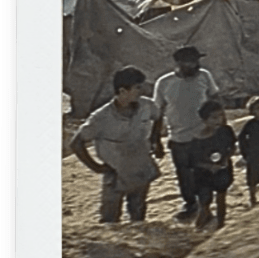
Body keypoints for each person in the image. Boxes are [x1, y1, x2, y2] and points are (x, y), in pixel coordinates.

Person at [70, 66, 161, 223]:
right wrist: (96, 167)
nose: (141, 91)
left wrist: (155, 139)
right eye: (137, 87)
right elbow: (76, 143)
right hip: (116, 173)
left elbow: (158, 116)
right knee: (110, 219)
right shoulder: (101, 117)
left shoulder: (146, 105)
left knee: (138, 212)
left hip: (140, 167)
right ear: (123, 91)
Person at [152, 46, 220, 221]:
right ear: (179, 64)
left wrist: (220, 128)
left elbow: (215, 100)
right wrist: (155, 139)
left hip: (203, 135)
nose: (195, 65)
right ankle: (190, 204)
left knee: (203, 172)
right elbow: (158, 112)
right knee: (184, 173)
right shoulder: (164, 83)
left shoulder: (204, 76)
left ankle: (205, 208)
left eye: (196, 61)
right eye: (190, 62)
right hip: (178, 137)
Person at [188, 99, 236, 229]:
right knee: (204, 201)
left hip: (222, 170)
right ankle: (201, 223)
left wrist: (226, 159)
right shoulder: (197, 138)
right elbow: (193, 161)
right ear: (204, 120)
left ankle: (221, 223)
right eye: (214, 117)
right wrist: (209, 166)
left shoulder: (226, 131)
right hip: (203, 174)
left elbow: (231, 147)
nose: (218, 120)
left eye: (221, 116)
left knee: (221, 197)